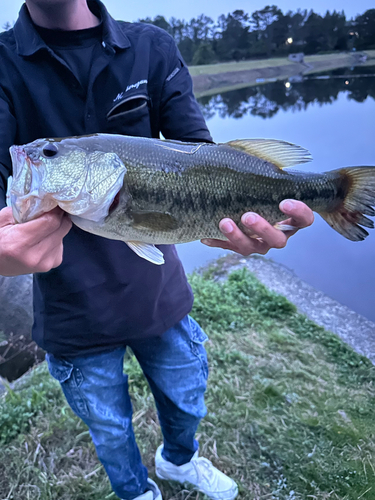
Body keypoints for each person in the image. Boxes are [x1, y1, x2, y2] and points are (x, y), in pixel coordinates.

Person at [0, 1, 314, 499]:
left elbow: (202, 155)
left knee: (187, 397)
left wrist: (237, 219)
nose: (38, 158)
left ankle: (179, 461)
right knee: (109, 428)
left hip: (159, 295)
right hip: (73, 317)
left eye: (51, 153)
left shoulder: (151, 46)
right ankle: (135, 491)